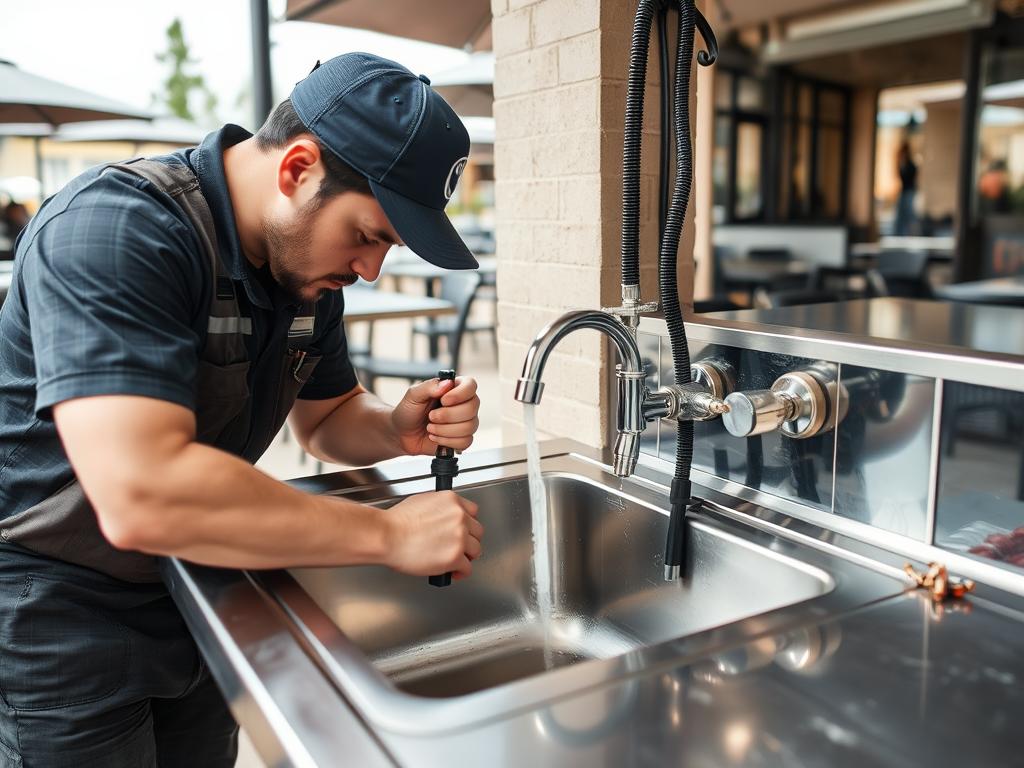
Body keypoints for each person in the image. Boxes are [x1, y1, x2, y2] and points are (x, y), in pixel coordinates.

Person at [0, 52, 484, 767]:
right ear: (297, 169)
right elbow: (144, 495)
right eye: (368, 234)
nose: (371, 269)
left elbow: (324, 418)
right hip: (60, 612)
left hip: (202, 581)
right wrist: (388, 535)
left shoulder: (305, 278)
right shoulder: (118, 229)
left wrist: (390, 427)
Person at [894, 141, 918, 236]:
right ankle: (901, 233)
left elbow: (910, 177)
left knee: (909, 213)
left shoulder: (911, 165)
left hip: (909, 191)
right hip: (905, 190)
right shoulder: (902, 164)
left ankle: (912, 233)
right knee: (901, 212)